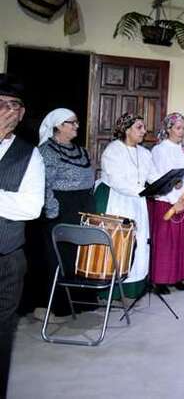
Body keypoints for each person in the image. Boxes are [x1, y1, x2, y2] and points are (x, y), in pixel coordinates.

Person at [0, 74, 44, 398]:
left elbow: (30, 207)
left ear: (22, 114)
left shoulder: (31, 155)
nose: (7, 112)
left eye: (13, 106)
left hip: (7, 258)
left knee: (1, 334)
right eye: (0, 105)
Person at [35, 108, 96, 320]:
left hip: (83, 206)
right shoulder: (46, 151)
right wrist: (52, 210)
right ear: (59, 125)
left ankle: (82, 300)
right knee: (61, 256)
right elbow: (44, 183)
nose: (77, 126)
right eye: (72, 122)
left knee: (82, 254)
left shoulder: (81, 150)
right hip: (61, 208)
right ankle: (59, 304)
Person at [96, 113, 158, 298]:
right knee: (117, 245)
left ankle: (134, 288)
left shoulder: (145, 153)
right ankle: (112, 291)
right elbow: (117, 181)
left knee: (138, 242)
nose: (144, 131)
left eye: (143, 127)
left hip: (137, 203)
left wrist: (166, 183)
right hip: (118, 201)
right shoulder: (112, 151)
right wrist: (142, 191)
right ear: (126, 130)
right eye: (139, 127)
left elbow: (152, 176)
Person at [150, 113, 184, 294]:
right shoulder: (160, 149)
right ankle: (161, 280)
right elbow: (160, 176)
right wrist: (175, 200)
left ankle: (178, 276)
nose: (182, 132)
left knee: (182, 241)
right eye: (178, 128)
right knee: (166, 242)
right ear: (168, 128)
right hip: (168, 202)